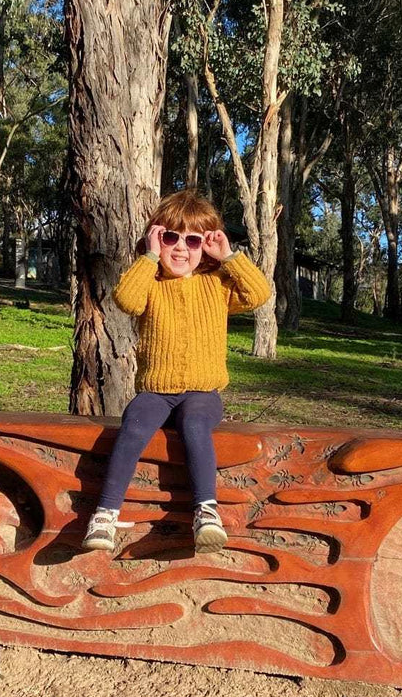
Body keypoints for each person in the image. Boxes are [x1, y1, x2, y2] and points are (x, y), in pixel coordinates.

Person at [82, 190, 271, 553]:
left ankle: (206, 511)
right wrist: (150, 255)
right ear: (157, 238)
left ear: (206, 246)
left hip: (202, 394)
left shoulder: (217, 284)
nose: (181, 248)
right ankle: (105, 514)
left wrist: (229, 256)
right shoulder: (150, 284)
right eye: (171, 237)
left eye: (193, 240)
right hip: (156, 392)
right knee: (134, 423)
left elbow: (259, 293)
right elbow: (126, 300)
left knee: (195, 424)